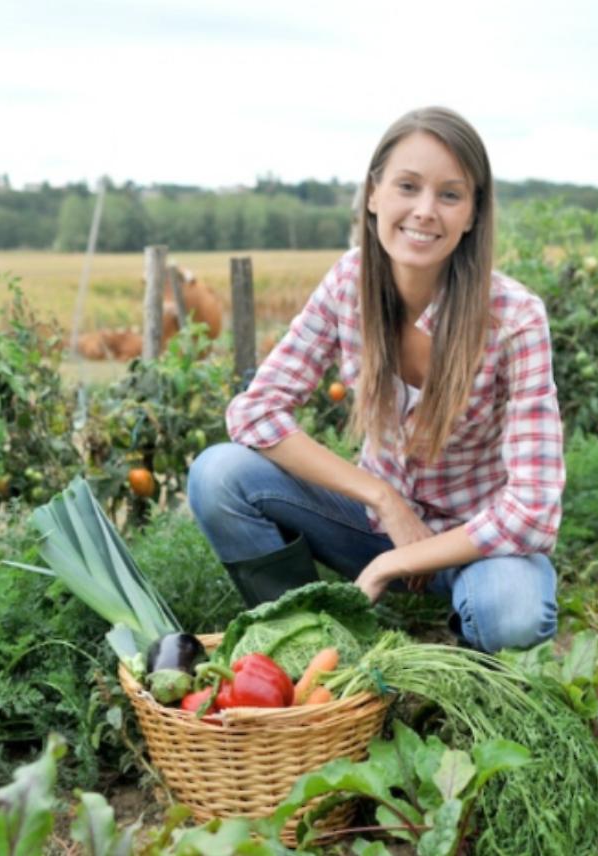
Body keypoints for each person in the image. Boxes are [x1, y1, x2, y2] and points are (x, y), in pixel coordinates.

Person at [187, 106, 562, 653]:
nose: (425, 211)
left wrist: (398, 559)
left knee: (510, 612)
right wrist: (383, 498)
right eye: (407, 186)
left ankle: (463, 661)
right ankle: (316, 643)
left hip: (476, 547)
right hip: (367, 525)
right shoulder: (348, 284)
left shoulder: (515, 318)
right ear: (373, 194)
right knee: (218, 474)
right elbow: (255, 411)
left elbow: (533, 511)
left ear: (473, 213)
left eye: (450, 195)